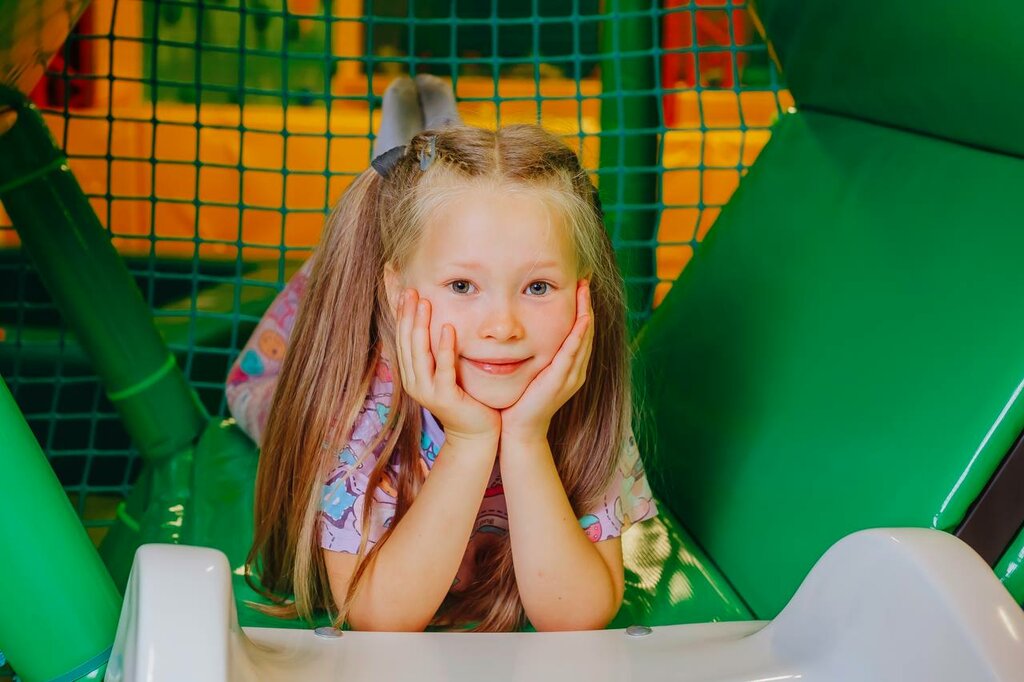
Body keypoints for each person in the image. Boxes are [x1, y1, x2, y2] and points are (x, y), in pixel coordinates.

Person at [226, 74, 658, 633]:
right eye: (462, 286)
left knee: (449, 233)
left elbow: (578, 613)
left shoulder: (580, 393)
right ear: (397, 291)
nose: (502, 327)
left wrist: (525, 437)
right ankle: (410, 159)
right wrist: (470, 440)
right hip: (333, 353)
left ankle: (435, 159)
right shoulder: (358, 403)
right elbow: (376, 613)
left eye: (537, 287)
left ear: (584, 290)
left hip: (423, 280)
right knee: (261, 384)